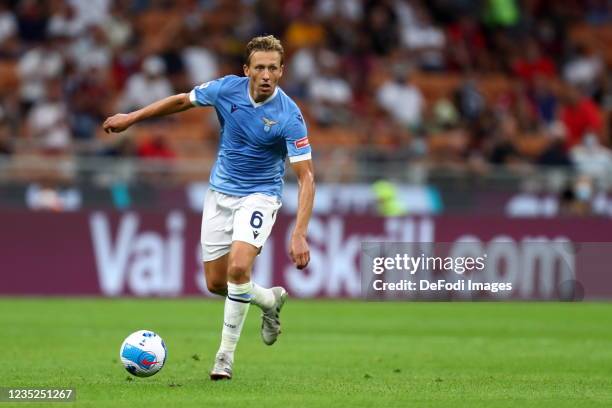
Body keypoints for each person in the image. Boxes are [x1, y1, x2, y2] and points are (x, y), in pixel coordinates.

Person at [103, 35, 315, 381]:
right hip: (219, 194)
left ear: (281, 72)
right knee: (218, 284)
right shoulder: (225, 90)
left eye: (272, 68)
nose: (265, 74)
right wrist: (132, 117)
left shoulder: (290, 116)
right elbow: (180, 101)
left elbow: (306, 178)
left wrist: (300, 232)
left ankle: (224, 357)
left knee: (239, 267)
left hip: (260, 195)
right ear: (246, 69)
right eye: (259, 67)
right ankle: (270, 301)